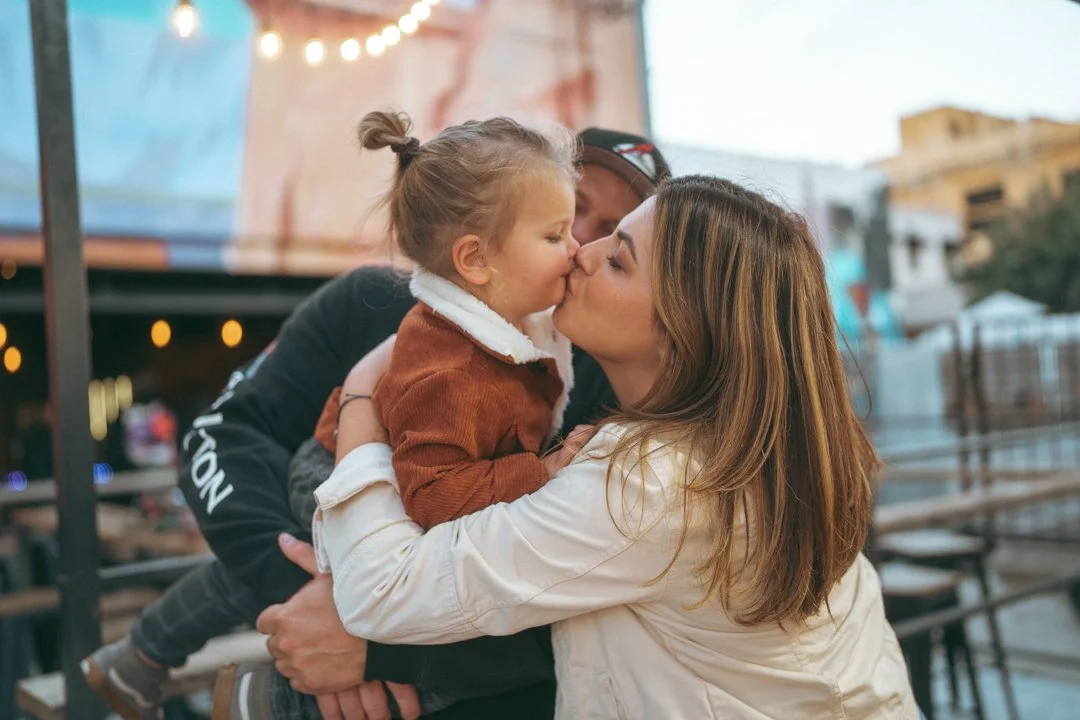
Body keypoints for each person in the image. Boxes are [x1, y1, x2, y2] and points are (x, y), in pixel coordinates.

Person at [264, 176, 920, 718]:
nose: (580, 250)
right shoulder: (762, 450)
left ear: (683, 332)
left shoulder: (654, 482)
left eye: (618, 258)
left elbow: (383, 589)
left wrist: (361, 393)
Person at [141, 127, 670, 719]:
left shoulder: (607, 378)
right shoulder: (374, 302)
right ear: (482, 239)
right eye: (563, 220)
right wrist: (309, 592)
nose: (580, 249)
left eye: (612, 238)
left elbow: (590, 596)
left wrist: (381, 649)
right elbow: (221, 437)